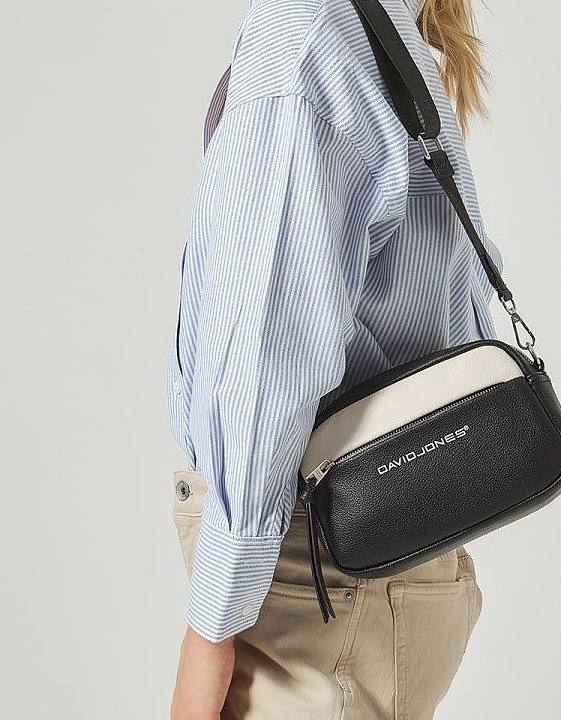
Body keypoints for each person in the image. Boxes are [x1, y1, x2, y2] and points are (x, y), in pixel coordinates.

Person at [168, 1, 503, 717]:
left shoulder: (303, 29)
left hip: (309, 587)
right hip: (385, 565)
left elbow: (267, 356)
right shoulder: (371, 24)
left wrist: (209, 632)